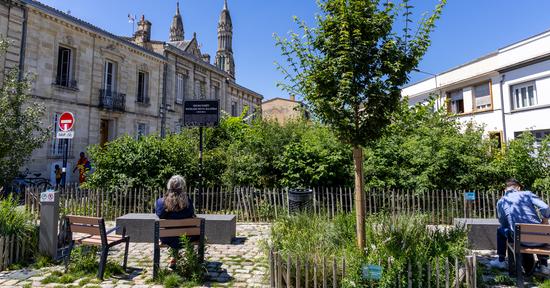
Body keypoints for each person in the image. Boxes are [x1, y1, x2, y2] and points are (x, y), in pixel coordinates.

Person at [490, 178, 550, 274]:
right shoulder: (527, 194)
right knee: (541, 229)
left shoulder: (501, 201)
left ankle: (501, 261)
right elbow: (545, 207)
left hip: (519, 240)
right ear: (518, 187)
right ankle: (544, 265)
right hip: (540, 240)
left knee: (500, 230)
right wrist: (545, 220)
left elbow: (504, 223)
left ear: (506, 189)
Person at [155, 175, 195, 268]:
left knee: (173, 233)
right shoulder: (188, 202)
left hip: (167, 237)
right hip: (187, 236)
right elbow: (191, 214)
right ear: (183, 186)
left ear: (169, 186)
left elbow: (160, 215)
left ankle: (174, 258)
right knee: (185, 232)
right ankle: (191, 260)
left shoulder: (161, 202)